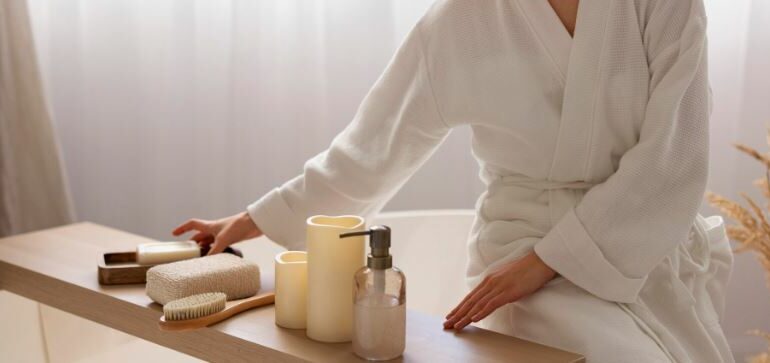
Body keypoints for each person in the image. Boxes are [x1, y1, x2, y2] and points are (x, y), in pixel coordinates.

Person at [173, 0, 734, 361]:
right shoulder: (462, 19)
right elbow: (373, 147)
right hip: (518, 251)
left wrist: (548, 261)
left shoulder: (666, 5)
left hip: (633, 251)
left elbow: (675, 160)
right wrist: (256, 220)